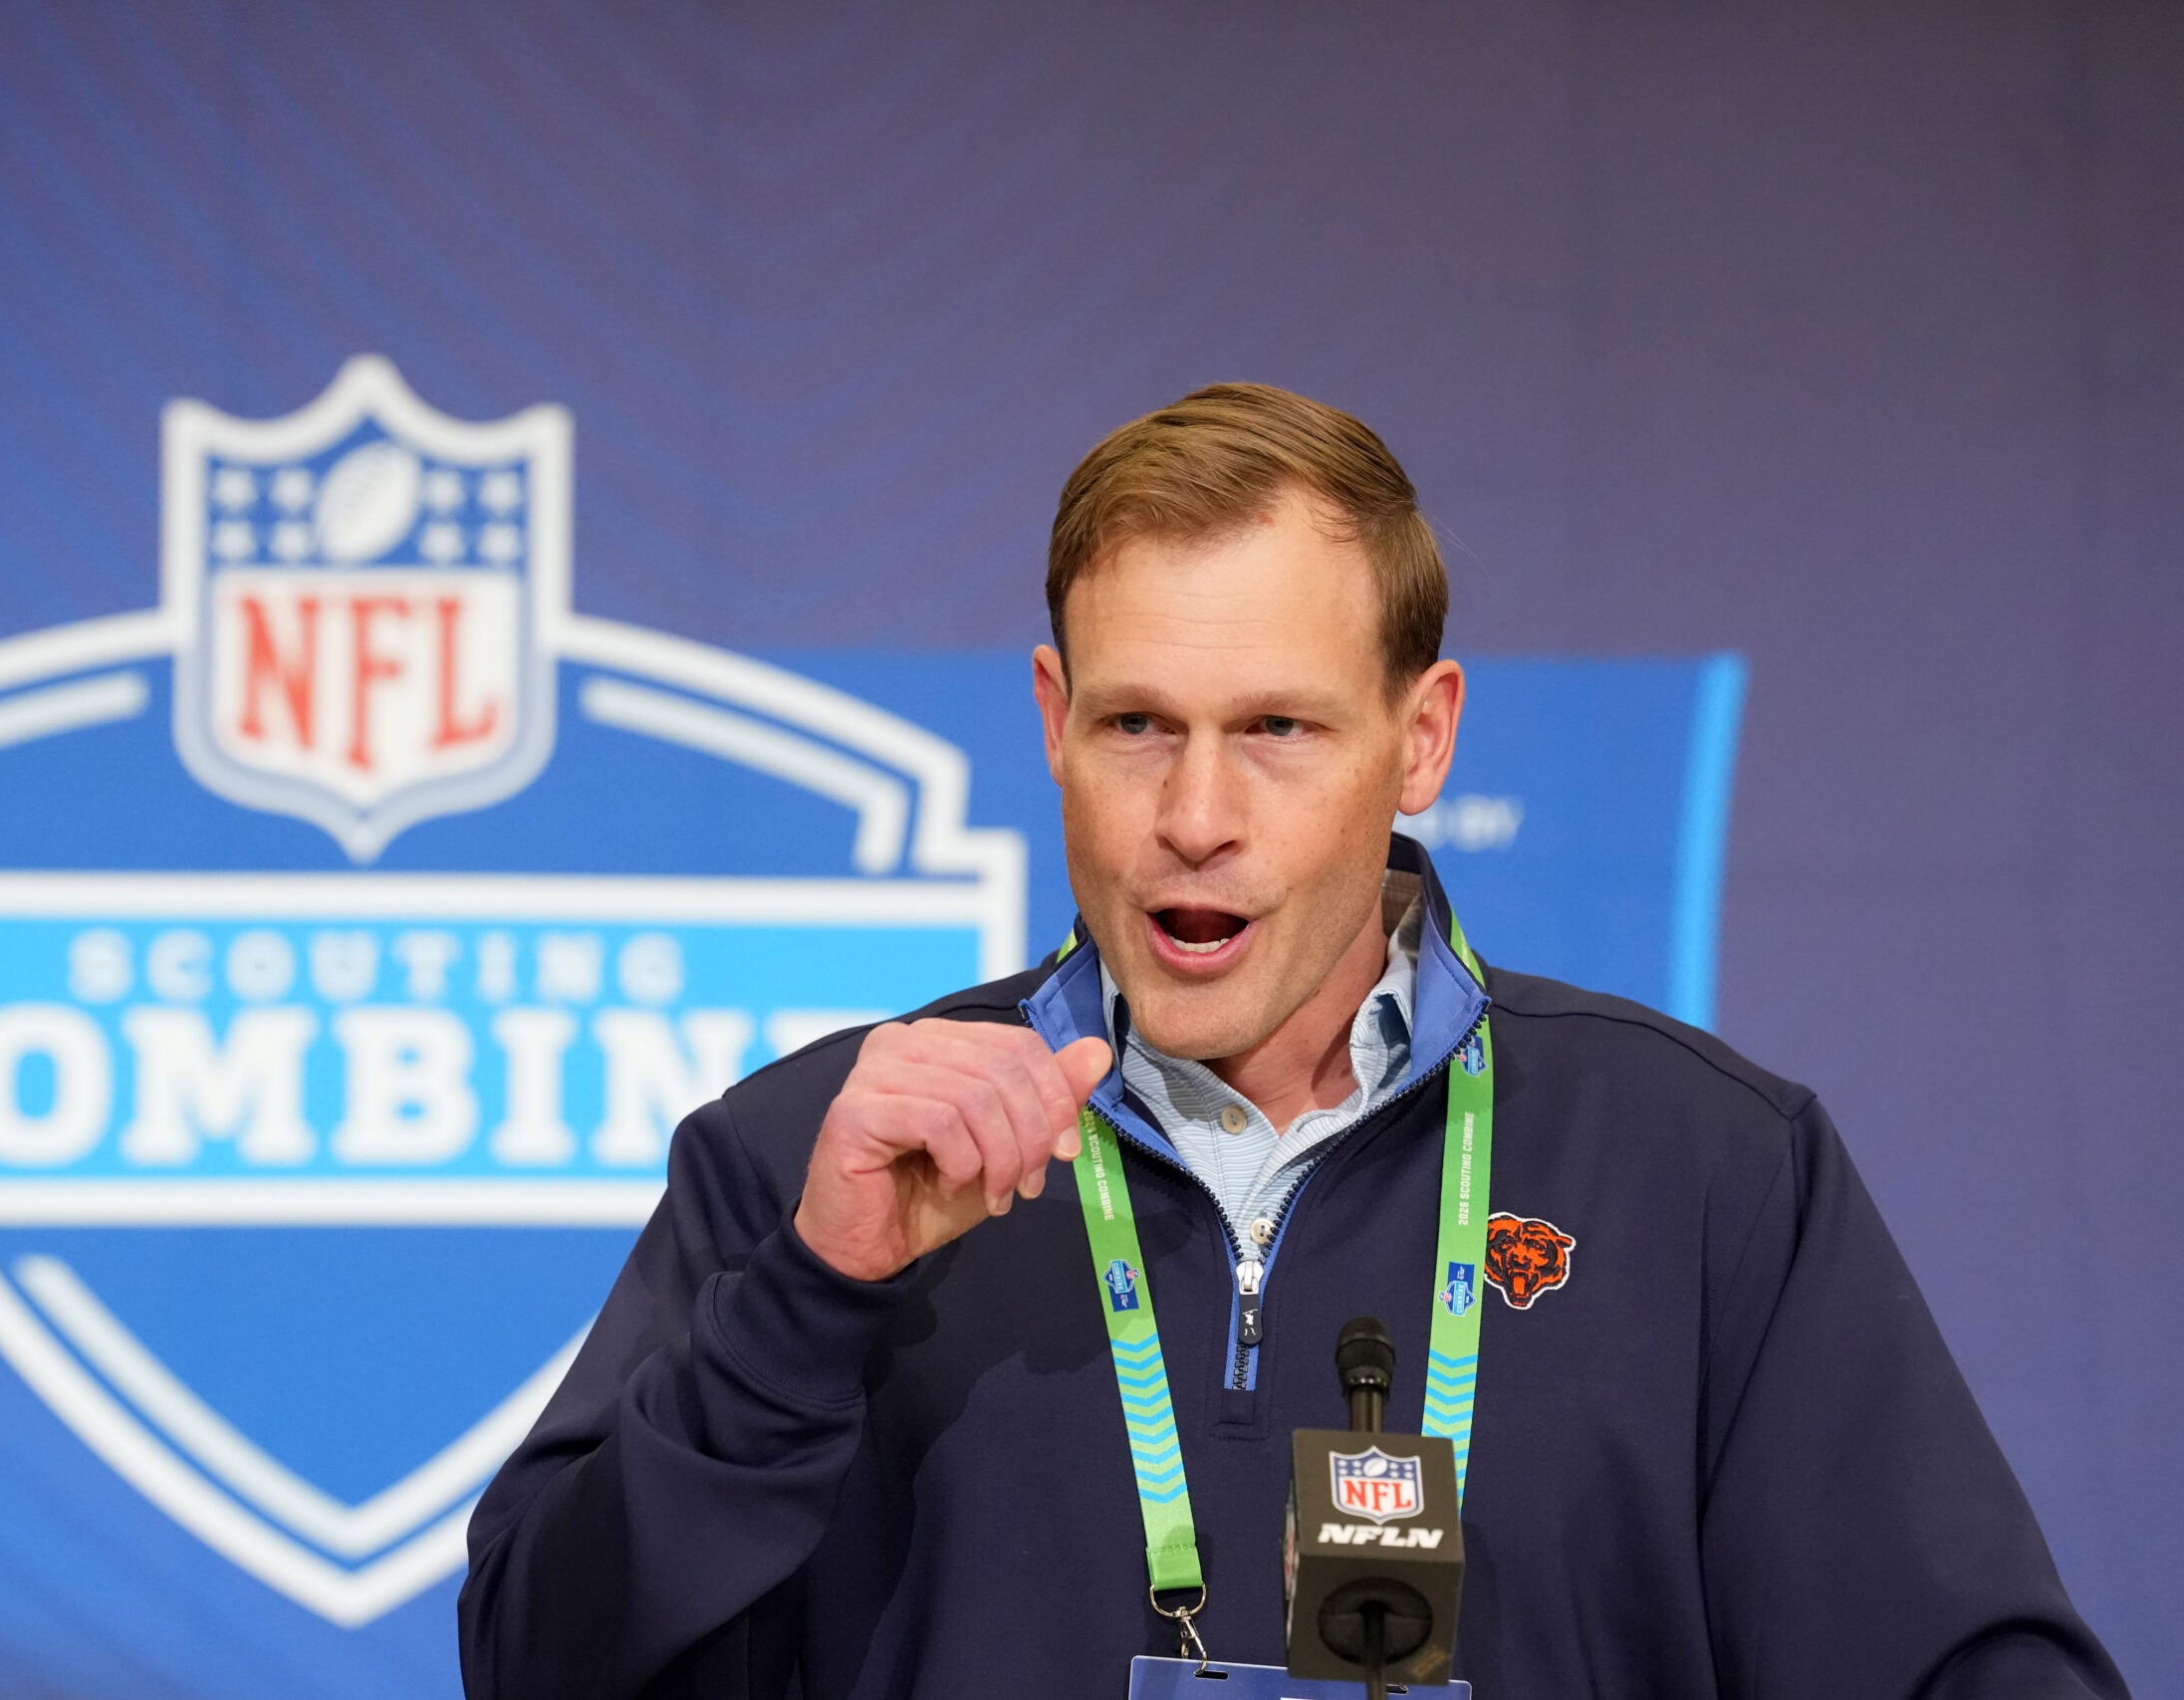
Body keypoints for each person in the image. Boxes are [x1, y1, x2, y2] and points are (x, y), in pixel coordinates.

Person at [458, 384, 2125, 1698]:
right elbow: (536, 1663)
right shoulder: (817, 1159)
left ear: (1420, 740)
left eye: (1275, 730)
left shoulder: (1702, 1172)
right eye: (1136, 727)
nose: (1194, 817)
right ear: (1050, 722)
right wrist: (806, 1308)